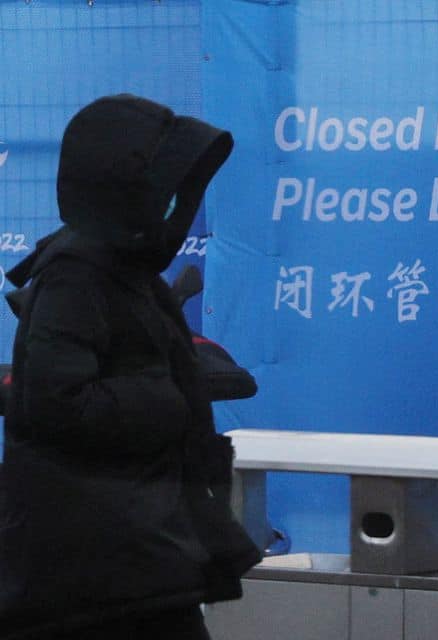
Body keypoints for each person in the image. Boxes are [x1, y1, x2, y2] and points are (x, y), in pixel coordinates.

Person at [0, 95, 262, 639]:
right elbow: (57, 402)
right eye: (162, 189)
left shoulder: (122, 269)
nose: (174, 204)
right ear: (121, 189)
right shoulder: (77, 274)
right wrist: (166, 395)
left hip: (133, 550)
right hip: (94, 564)